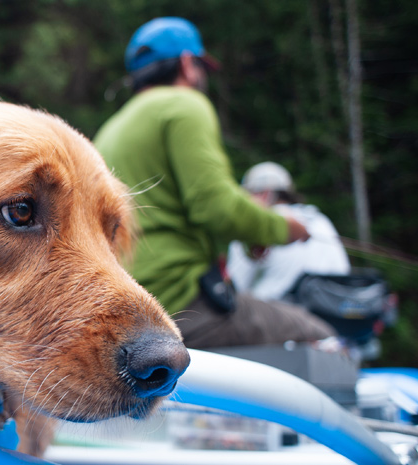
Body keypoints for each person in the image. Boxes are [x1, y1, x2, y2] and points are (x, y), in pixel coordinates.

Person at [94, 17, 336, 349]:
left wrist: (251, 226)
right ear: (187, 64)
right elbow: (214, 207)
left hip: (124, 304)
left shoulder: (109, 130)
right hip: (182, 301)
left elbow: (174, 207)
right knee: (320, 334)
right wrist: (282, 228)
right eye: (201, 66)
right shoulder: (185, 104)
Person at [227, 161, 352, 301]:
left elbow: (235, 287)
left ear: (264, 194)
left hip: (276, 315)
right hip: (332, 311)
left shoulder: (257, 225)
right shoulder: (320, 219)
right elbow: (343, 270)